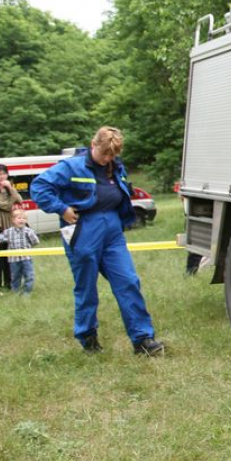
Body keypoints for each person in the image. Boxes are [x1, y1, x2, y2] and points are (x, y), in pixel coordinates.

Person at [31, 127, 164, 356]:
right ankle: (88, 339)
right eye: (104, 154)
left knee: (129, 281)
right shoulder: (70, 167)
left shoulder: (115, 165)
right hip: (84, 230)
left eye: (112, 155)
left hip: (112, 231)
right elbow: (39, 187)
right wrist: (62, 209)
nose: (107, 159)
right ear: (93, 145)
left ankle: (142, 339)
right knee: (86, 288)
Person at [0, 207, 39, 294]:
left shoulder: (29, 231)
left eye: (24, 218)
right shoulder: (8, 232)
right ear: (13, 220)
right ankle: (15, 291)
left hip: (26, 258)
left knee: (29, 276)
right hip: (13, 260)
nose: (21, 220)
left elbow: (35, 241)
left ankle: (26, 292)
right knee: (15, 276)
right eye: (19, 218)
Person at [0, 163, 22, 290]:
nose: (2, 176)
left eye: (4, 173)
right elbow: (4, 205)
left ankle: (10, 283)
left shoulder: (9, 188)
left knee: (10, 257)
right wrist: (8, 203)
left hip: (9, 224)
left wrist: (11, 188)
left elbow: (19, 200)